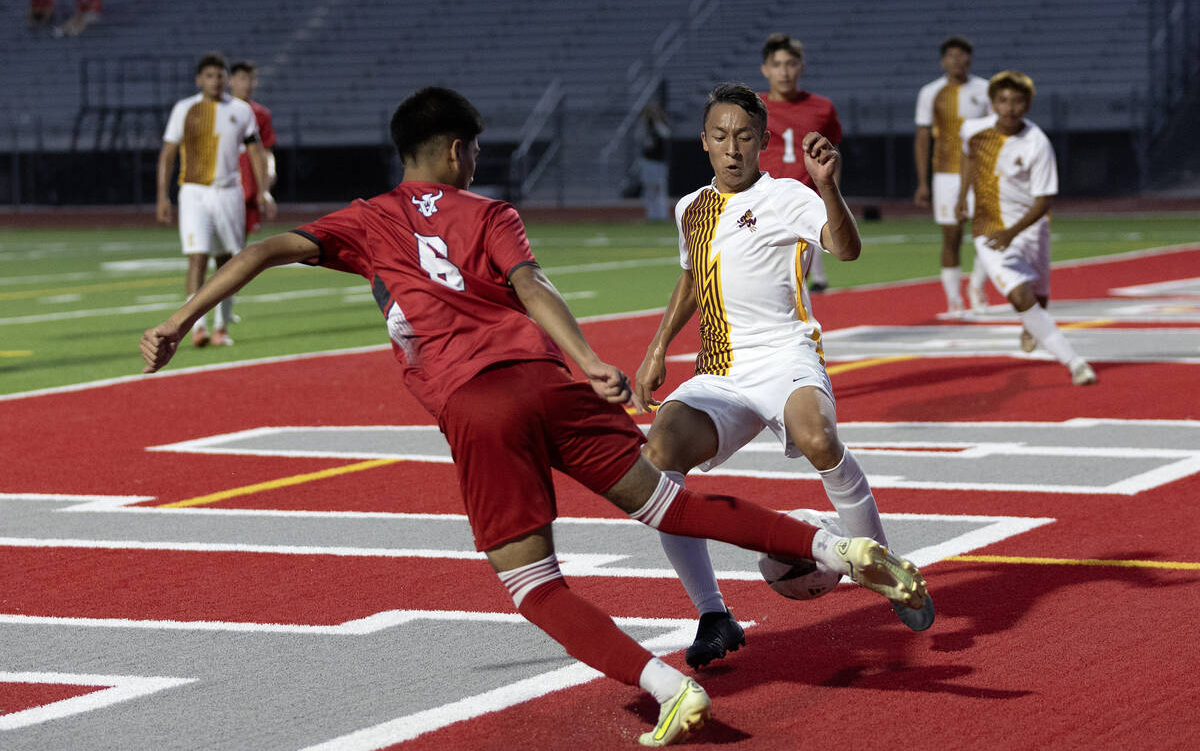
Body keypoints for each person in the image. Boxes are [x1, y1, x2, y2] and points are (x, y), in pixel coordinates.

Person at [139, 86, 928, 748]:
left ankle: (665, 687)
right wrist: (589, 362)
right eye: (474, 149)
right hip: (552, 384)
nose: (477, 161)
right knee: (667, 495)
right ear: (454, 151)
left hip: (480, 409)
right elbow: (534, 288)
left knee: (533, 584)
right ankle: (836, 546)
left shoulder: (367, 219)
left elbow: (264, 251)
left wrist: (180, 320)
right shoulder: (491, 213)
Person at [635, 83, 936, 671]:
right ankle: (713, 613)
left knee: (820, 440)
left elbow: (844, 250)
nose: (732, 147)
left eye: (744, 137)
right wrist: (656, 350)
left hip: (786, 354)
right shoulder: (689, 208)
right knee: (657, 460)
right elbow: (693, 279)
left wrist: (828, 188)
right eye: (720, 136)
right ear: (703, 142)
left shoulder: (789, 196)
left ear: (764, 143)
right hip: (721, 370)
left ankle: (884, 565)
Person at [957, 71, 1097, 386]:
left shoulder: (1038, 144)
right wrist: (961, 196)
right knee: (1019, 295)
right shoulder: (973, 130)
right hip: (989, 228)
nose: (1009, 108)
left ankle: (1031, 323)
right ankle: (1076, 363)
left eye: (1017, 101)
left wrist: (1013, 232)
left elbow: (1044, 200)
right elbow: (968, 157)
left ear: (1028, 105)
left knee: (1038, 298)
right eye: (1003, 100)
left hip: (1031, 228)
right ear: (992, 103)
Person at [156, 53, 276, 348]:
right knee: (197, 258)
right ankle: (197, 327)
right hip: (194, 192)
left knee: (230, 261)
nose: (215, 81)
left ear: (226, 79)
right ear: (199, 79)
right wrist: (162, 196)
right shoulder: (184, 109)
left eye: (220, 75)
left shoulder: (241, 110)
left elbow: (256, 151)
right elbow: (168, 154)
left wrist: (263, 189)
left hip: (229, 191)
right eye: (209, 76)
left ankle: (222, 326)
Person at [914, 36, 992, 315]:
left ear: (970, 59)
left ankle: (977, 286)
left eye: (963, 55)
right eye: (952, 56)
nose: (957, 61)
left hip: (981, 171)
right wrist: (922, 181)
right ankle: (954, 298)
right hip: (946, 173)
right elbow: (923, 137)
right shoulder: (930, 93)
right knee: (952, 237)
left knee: (986, 233)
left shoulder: (986, 89)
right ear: (943, 61)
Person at [758, 33, 841, 292]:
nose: (784, 72)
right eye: (777, 64)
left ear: (801, 68)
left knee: (793, 286)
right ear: (765, 69)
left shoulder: (821, 107)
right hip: (762, 203)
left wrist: (833, 197)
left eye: (791, 64)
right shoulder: (752, 107)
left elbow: (832, 154)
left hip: (804, 205)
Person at [229, 60, 278, 235]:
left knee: (240, 240)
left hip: (249, 183)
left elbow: (266, 150)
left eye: (251, 79)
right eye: (242, 79)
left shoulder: (261, 114)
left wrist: (269, 174)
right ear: (231, 80)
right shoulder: (220, 109)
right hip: (226, 182)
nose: (247, 84)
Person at [638, 102, 671, 222]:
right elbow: (639, 137)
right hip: (648, 161)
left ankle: (662, 215)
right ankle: (651, 215)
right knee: (649, 188)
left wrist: (656, 120)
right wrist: (644, 120)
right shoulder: (645, 126)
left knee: (660, 188)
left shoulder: (661, 124)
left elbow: (665, 134)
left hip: (659, 162)